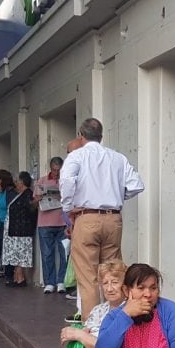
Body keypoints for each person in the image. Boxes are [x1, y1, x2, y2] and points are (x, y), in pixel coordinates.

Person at [59, 117, 145, 320]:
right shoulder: (117, 158)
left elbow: (67, 182)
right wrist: (115, 195)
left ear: (81, 136)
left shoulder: (77, 156)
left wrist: (68, 207)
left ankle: (92, 329)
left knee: (88, 277)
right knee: (113, 274)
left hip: (86, 217)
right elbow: (136, 185)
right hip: (113, 219)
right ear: (101, 136)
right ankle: (116, 323)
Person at [33, 157, 67, 294]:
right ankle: (49, 282)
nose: (56, 173)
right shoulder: (41, 181)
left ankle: (61, 281)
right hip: (45, 222)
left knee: (65, 253)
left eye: (58, 171)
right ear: (50, 168)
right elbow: (34, 202)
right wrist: (38, 199)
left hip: (63, 222)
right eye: (54, 170)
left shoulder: (66, 181)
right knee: (47, 254)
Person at [1, 171, 36, 287]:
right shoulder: (19, 194)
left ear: (22, 182)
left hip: (21, 230)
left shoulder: (27, 194)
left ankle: (20, 278)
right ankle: (17, 277)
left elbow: (30, 209)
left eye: (17, 181)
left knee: (19, 254)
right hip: (15, 230)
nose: (15, 183)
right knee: (15, 254)